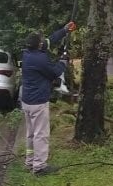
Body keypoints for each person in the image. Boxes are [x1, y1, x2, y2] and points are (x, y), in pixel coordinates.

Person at [21, 21, 76, 175]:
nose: (44, 41)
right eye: (41, 40)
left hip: (27, 101)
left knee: (31, 134)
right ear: (38, 45)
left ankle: (30, 161)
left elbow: (50, 40)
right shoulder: (39, 59)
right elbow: (53, 73)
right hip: (38, 102)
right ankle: (39, 167)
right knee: (41, 134)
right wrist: (63, 61)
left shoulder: (27, 53)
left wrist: (64, 30)